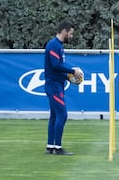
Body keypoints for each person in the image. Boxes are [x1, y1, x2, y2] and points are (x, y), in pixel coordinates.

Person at [44, 20, 83, 155]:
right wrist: (72, 71)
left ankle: (50, 146)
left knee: (54, 116)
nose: (71, 36)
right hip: (54, 87)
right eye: (70, 33)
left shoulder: (58, 46)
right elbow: (55, 65)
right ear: (64, 31)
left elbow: (56, 69)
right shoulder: (53, 45)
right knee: (63, 115)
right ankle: (58, 148)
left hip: (56, 84)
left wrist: (68, 78)